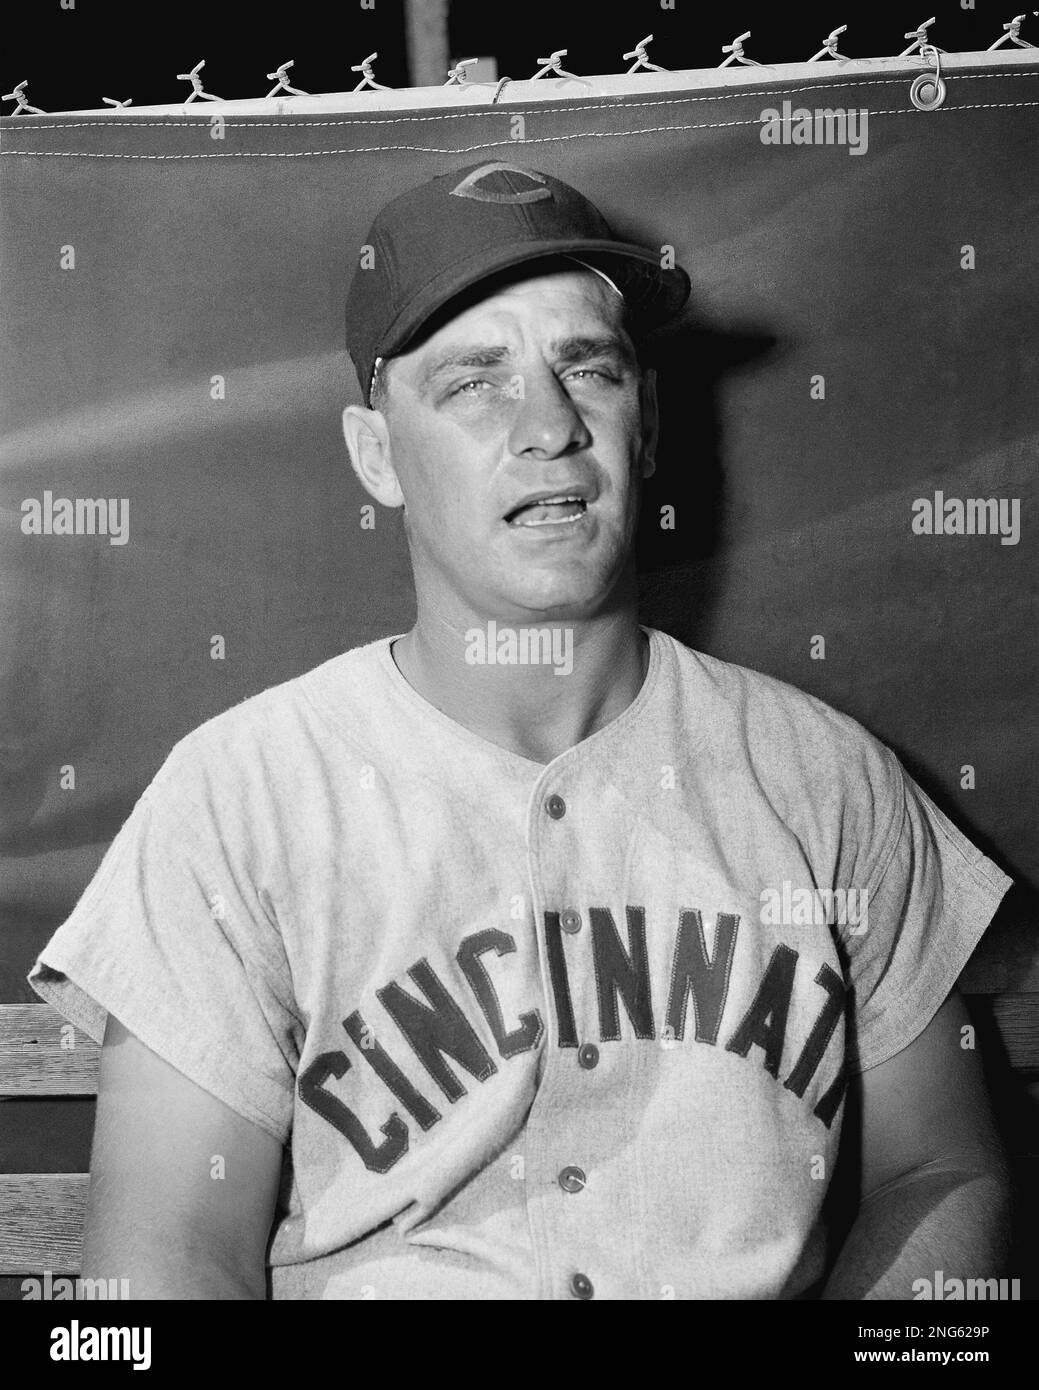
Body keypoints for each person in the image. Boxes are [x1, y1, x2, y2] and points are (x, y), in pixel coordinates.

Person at [29, 160, 1013, 1300]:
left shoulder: (823, 776)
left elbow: (941, 1166)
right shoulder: (237, 796)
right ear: (376, 455)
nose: (548, 427)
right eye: (475, 381)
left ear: (642, 427)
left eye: (585, 368)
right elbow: (155, 1266)